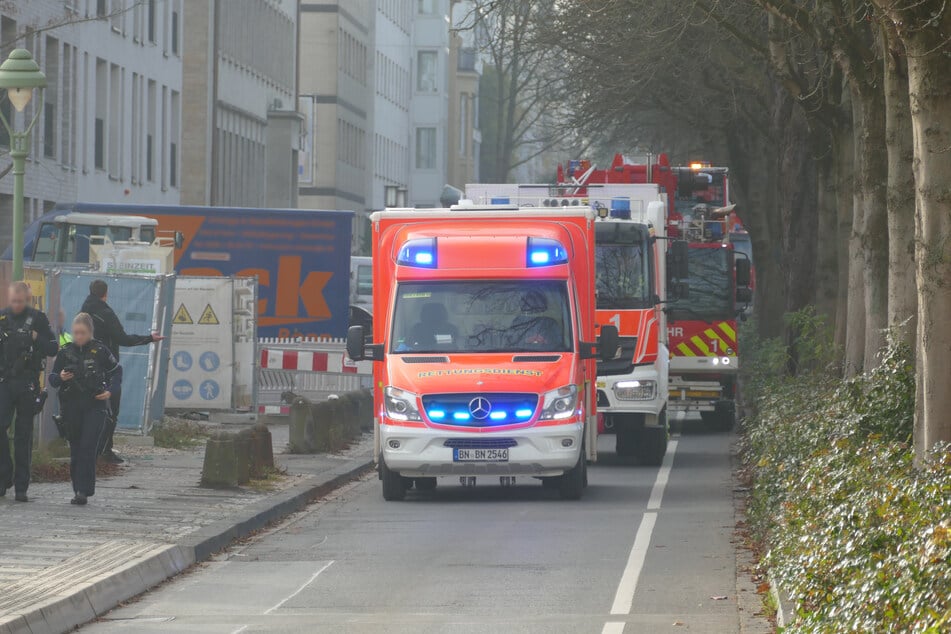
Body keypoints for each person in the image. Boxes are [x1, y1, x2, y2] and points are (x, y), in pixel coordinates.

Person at [81, 279, 163, 463]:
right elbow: (122, 338)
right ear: (105, 293)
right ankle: (104, 451)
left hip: (84, 368)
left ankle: (87, 450)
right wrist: (149, 338)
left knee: (87, 411)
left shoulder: (83, 313)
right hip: (105, 367)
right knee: (110, 411)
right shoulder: (106, 313)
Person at [48, 313, 121, 505]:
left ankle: (84, 490)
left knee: (88, 447)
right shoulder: (65, 352)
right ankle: (77, 488)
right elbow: (53, 379)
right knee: (76, 449)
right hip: (72, 406)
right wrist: (61, 377)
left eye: (83, 333)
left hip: (95, 405)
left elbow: (116, 372)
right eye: (76, 333)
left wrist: (109, 392)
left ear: (90, 332)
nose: (79, 337)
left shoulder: (100, 350)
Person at [0, 282, 58, 501]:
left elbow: (53, 347)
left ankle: (21, 486)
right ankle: (4, 475)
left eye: (20, 301)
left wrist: (36, 338)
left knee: (24, 435)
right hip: (4, 381)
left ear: (27, 300)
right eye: (13, 300)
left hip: (27, 383)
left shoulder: (38, 319)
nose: (16, 305)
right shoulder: (2, 318)